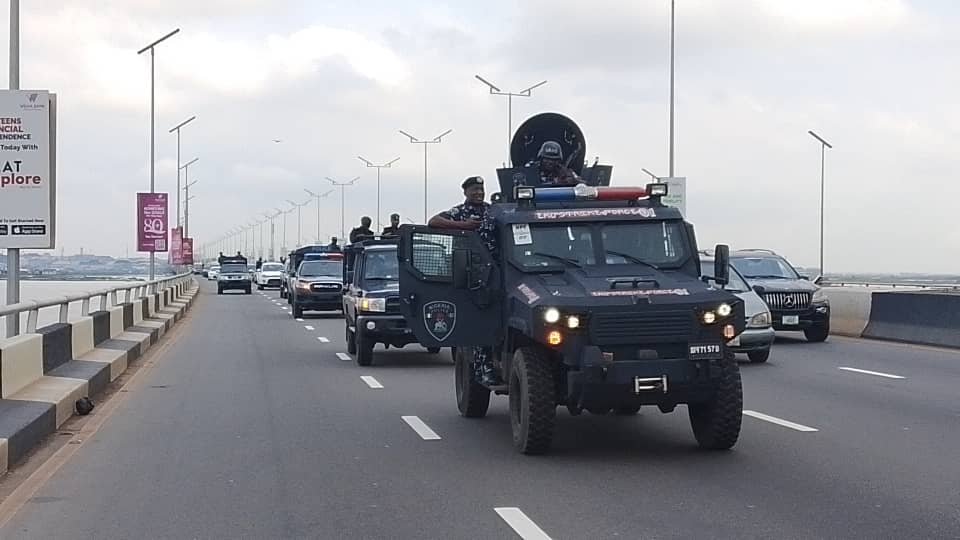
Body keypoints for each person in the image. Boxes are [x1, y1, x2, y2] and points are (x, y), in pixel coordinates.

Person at [428, 176, 500, 385]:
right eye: (475, 189)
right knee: (479, 324)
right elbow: (433, 222)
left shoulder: (492, 210)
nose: (479, 193)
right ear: (466, 192)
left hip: (497, 273)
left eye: (481, 189)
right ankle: (483, 370)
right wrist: (463, 225)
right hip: (474, 275)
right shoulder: (459, 212)